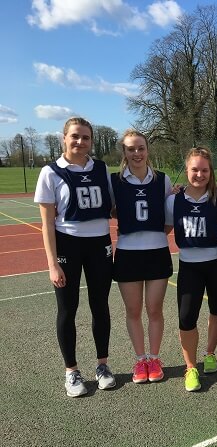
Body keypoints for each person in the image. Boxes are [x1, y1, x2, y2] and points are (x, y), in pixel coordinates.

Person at [34, 117, 115, 397]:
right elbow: (47, 224)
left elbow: (115, 207)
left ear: (92, 141)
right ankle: (71, 371)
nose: (80, 142)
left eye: (86, 137)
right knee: (67, 310)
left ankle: (103, 366)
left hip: (100, 245)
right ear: (64, 138)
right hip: (68, 245)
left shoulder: (102, 169)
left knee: (100, 305)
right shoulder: (51, 172)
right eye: (75, 136)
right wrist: (52, 263)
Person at [165, 147, 217, 392]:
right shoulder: (173, 200)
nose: (200, 174)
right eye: (195, 169)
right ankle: (191, 367)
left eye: (204, 170)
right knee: (186, 318)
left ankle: (210, 353)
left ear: (210, 171)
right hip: (189, 266)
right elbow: (164, 230)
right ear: (187, 170)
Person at [111, 130, 173, 384]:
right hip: (127, 254)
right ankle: (140, 360)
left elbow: (169, 218)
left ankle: (155, 358)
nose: (136, 153)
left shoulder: (163, 180)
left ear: (148, 150)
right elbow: (112, 210)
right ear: (124, 153)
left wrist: (155, 236)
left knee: (154, 309)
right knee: (133, 310)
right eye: (131, 149)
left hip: (157, 252)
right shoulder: (114, 181)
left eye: (140, 148)